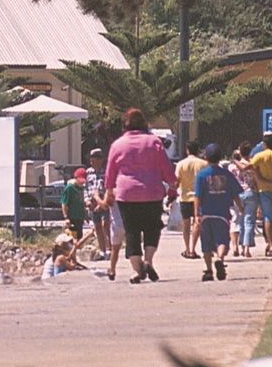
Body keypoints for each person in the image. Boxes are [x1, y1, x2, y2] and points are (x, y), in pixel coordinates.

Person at [101, 108, 174, 284]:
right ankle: (148, 261)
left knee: (132, 231)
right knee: (151, 228)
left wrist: (109, 191)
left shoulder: (118, 145)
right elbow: (166, 168)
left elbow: (110, 172)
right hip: (152, 191)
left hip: (127, 193)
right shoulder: (154, 142)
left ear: (124, 124)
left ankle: (137, 269)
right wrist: (172, 185)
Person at [192, 143, 242, 282]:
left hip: (206, 212)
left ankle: (208, 270)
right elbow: (235, 194)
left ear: (206, 158)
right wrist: (241, 209)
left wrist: (196, 214)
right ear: (220, 158)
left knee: (206, 243)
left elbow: (197, 196)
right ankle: (219, 259)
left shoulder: (201, 175)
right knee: (222, 241)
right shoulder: (227, 174)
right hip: (222, 212)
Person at [82, 149, 122, 278]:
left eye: (96, 157)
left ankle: (110, 249)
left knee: (106, 225)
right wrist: (87, 200)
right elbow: (86, 188)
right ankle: (102, 250)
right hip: (93, 202)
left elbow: (108, 188)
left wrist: (102, 202)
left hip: (103, 201)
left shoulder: (106, 172)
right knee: (97, 226)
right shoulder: (88, 173)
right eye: (92, 157)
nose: (93, 160)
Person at [174, 144, 208, 259]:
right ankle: (193, 248)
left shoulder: (181, 164)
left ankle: (187, 248)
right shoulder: (203, 164)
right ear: (198, 150)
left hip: (185, 197)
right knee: (197, 222)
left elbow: (177, 181)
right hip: (199, 197)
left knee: (186, 224)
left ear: (187, 150)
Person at [229, 143, 260, 254]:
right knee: (249, 221)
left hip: (236, 194)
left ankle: (235, 247)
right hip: (250, 192)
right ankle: (246, 248)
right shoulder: (251, 165)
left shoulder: (232, 167)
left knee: (236, 219)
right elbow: (256, 180)